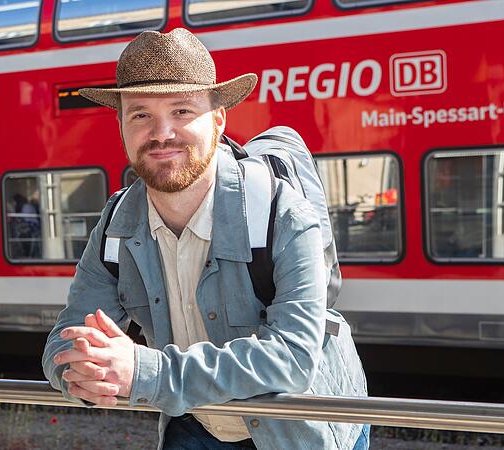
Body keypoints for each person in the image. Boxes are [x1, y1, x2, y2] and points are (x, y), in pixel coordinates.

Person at [43, 28, 369, 450]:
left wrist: (143, 371)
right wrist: (81, 369)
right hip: (197, 426)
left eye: (181, 111)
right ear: (121, 125)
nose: (162, 133)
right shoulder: (115, 224)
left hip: (300, 430)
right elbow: (64, 337)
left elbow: (292, 358)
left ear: (218, 120)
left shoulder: (282, 213)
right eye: (140, 114)